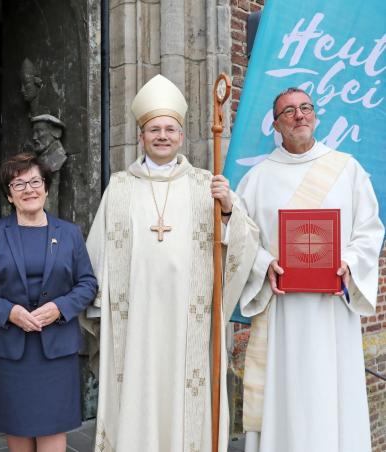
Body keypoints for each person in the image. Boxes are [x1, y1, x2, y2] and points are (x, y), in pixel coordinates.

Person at [85, 74, 259, 452]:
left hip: (188, 319)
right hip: (135, 321)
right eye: (153, 129)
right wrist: (98, 306)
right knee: (138, 393)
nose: (162, 136)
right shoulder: (120, 185)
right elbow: (96, 253)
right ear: (141, 136)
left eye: (169, 129)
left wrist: (228, 211)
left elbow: (245, 244)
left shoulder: (206, 184)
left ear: (180, 136)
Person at [236, 87, 384, 452]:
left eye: (306, 108)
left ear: (315, 116)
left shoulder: (346, 169)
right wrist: (263, 264)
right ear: (276, 124)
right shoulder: (257, 179)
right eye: (289, 111)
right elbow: (240, 239)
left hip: (331, 308)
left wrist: (348, 262)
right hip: (282, 312)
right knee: (288, 392)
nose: (299, 115)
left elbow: (369, 229)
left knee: (330, 390)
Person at [0, 152, 97, 452]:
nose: (29, 190)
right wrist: (9, 312)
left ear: (46, 188)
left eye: (35, 182)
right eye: (18, 184)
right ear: (8, 194)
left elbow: (87, 284)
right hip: (9, 349)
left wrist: (60, 308)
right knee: (17, 428)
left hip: (55, 350)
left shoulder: (69, 233)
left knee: (53, 429)